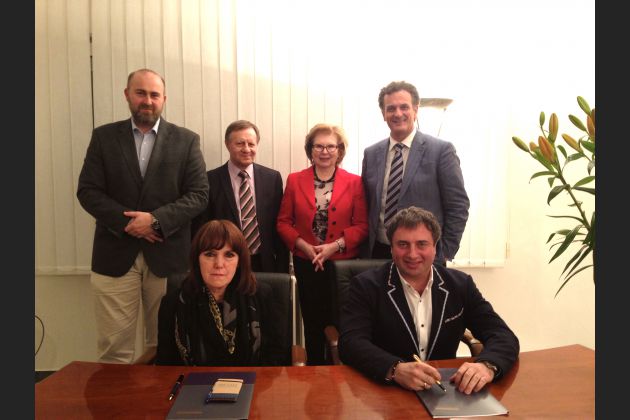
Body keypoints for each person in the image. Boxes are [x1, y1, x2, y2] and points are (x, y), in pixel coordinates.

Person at [76, 68, 209, 363]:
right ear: (127, 95)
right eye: (140, 93)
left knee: (167, 347)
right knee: (114, 349)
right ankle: (116, 398)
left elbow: (199, 194)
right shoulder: (103, 137)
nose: (147, 100)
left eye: (154, 94)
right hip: (114, 255)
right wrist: (129, 224)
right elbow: (88, 191)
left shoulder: (186, 140)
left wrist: (156, 221)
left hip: (169, 257)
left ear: (164, 99)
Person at [338, 206, 519, 394]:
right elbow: (351, 343)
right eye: (403, 244)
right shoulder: (366, 285)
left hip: (443, 392)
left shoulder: (460, 285)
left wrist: (487, 366)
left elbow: (502, 335)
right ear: (391, 249)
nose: (412, 254)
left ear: (435, 247)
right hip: (387, 391)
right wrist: (394, 369)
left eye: (422, 244)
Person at [277, 123, 368, 365]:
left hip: (342, 266)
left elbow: (362, 226)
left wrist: (334, 247)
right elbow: (283, 223)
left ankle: (341, 374)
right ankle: (315, 373)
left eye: (331, 146)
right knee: (313, 323)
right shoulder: (295, 180)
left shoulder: (355, 182)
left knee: (342, 324)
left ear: (340, 150)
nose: (324, 151)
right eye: (319, 146)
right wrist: (305, 247)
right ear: (310, 149)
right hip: (307, 263)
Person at [361, 80, 470, 266]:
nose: (398, 113)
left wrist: (444, 252)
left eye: (404, 107)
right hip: (378, 251)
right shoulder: (371, 154)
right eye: (391, 108)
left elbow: (458, 206)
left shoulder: (441, 151)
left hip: (420, 255)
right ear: (383, 114)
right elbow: (367, 204)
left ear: (415, 110)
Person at [156, 219, 287, 366]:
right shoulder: (173, 303)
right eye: (210, 254)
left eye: (229, 255)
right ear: (197, 259)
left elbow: (276, 355)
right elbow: (165, 363)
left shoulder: (262, 295)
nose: (219, 264)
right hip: (192, 380)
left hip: (254, 379)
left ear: (239, 261)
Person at [192, 120, 289, 273]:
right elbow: (202, 228)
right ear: (227, 144)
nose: (246, 149)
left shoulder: (272, 178)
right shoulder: (210, 180)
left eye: (251, 144)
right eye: (240, 143)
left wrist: (282, 268)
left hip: (265, 263)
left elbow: (279, 225)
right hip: (225, 264)